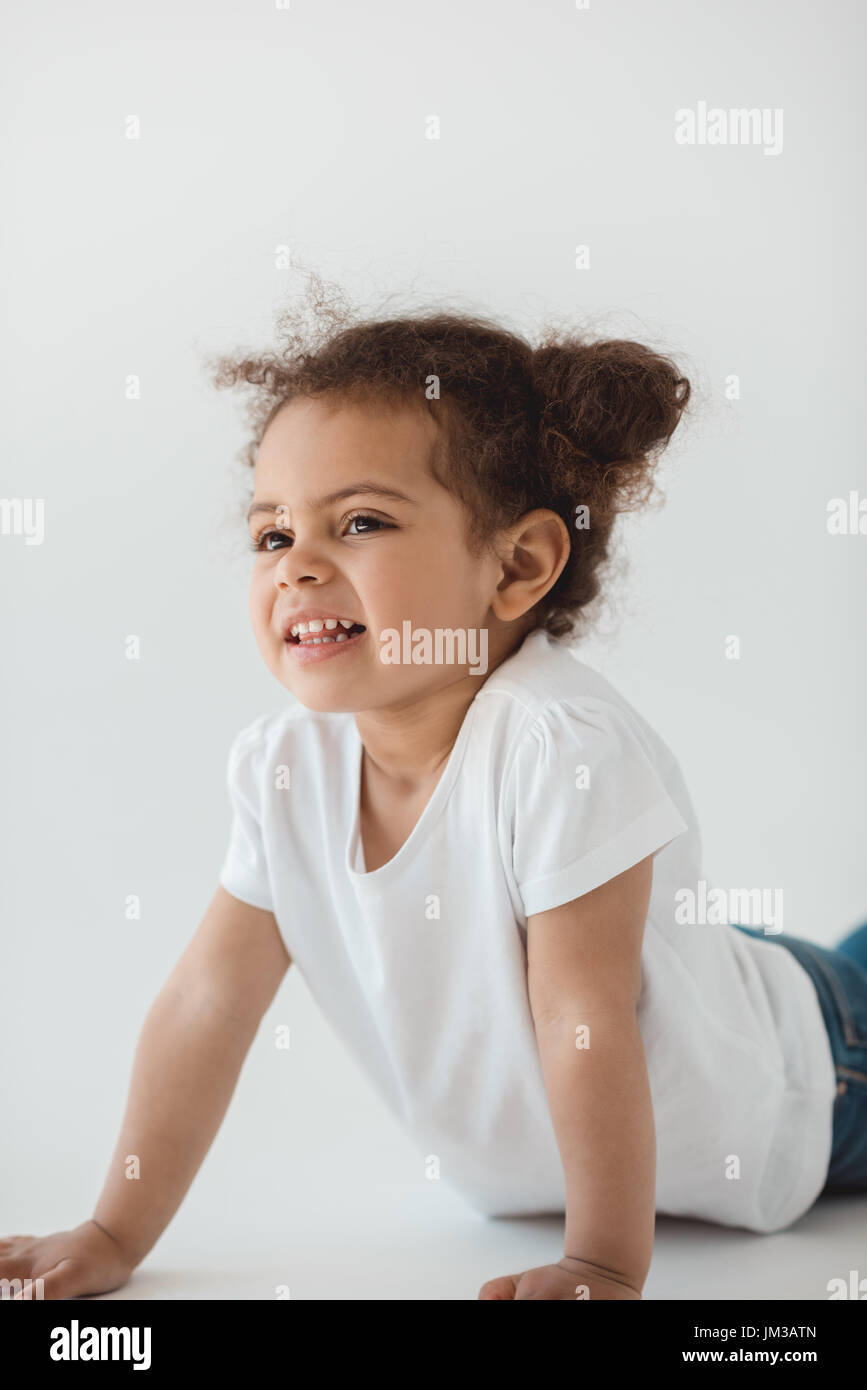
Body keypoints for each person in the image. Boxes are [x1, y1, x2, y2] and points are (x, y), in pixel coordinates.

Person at [3, 297, 865, 1302]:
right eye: (272, 532)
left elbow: (585, 1015)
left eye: (360, 522)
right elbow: (209, 1001)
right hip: (712, 995)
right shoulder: (287, 769)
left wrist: (602, 1263)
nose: (300, 566)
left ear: (518, 565)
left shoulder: (556, 749)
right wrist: (115, 1227)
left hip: (816, 1071)